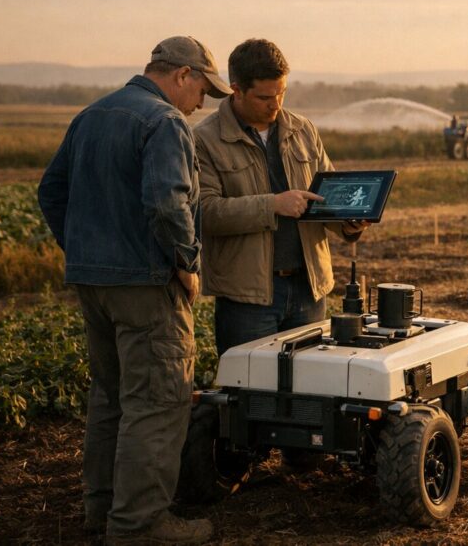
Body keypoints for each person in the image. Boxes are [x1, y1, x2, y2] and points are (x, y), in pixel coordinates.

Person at [38, 36, 232, 544]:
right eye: (203, 91)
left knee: (112, 396)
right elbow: (167, 202)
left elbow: (51, 190)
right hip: (147, 285)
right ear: (182, 75)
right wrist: (186, 263)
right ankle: (140, 524)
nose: (203, 104)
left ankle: (101, 509)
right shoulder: (164, 122)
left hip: (93, 283)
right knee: (159, 400)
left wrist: (81, 251)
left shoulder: (92, 114)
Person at [193, 38, 369, 359]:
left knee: (309, 389)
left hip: (308, 290)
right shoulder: (205, 139)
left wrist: (349, 223)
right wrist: (272, 205)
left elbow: (325, 195)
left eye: (281, 93)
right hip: (247, 299)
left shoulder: (303, 130)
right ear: (237, 90)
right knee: (250, 390)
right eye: (265, 97)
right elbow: (204, 212)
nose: (275, 104)